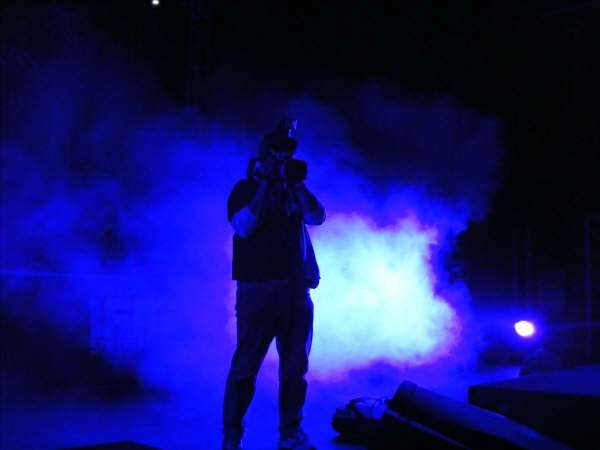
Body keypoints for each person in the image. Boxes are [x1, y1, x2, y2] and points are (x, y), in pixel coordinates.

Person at [222, 119, 325, 450]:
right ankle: (232, 437)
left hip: (295, 291)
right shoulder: (244, 189)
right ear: (264, 156)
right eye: (277, 154)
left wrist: (297, 185)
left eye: (288, 154)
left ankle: (290, 434)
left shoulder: (294, 190)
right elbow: (244, 227)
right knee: (245, 367)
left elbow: (317, 217)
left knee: (295, 369)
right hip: (258, 290)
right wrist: (264, 185)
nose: (283, 160)